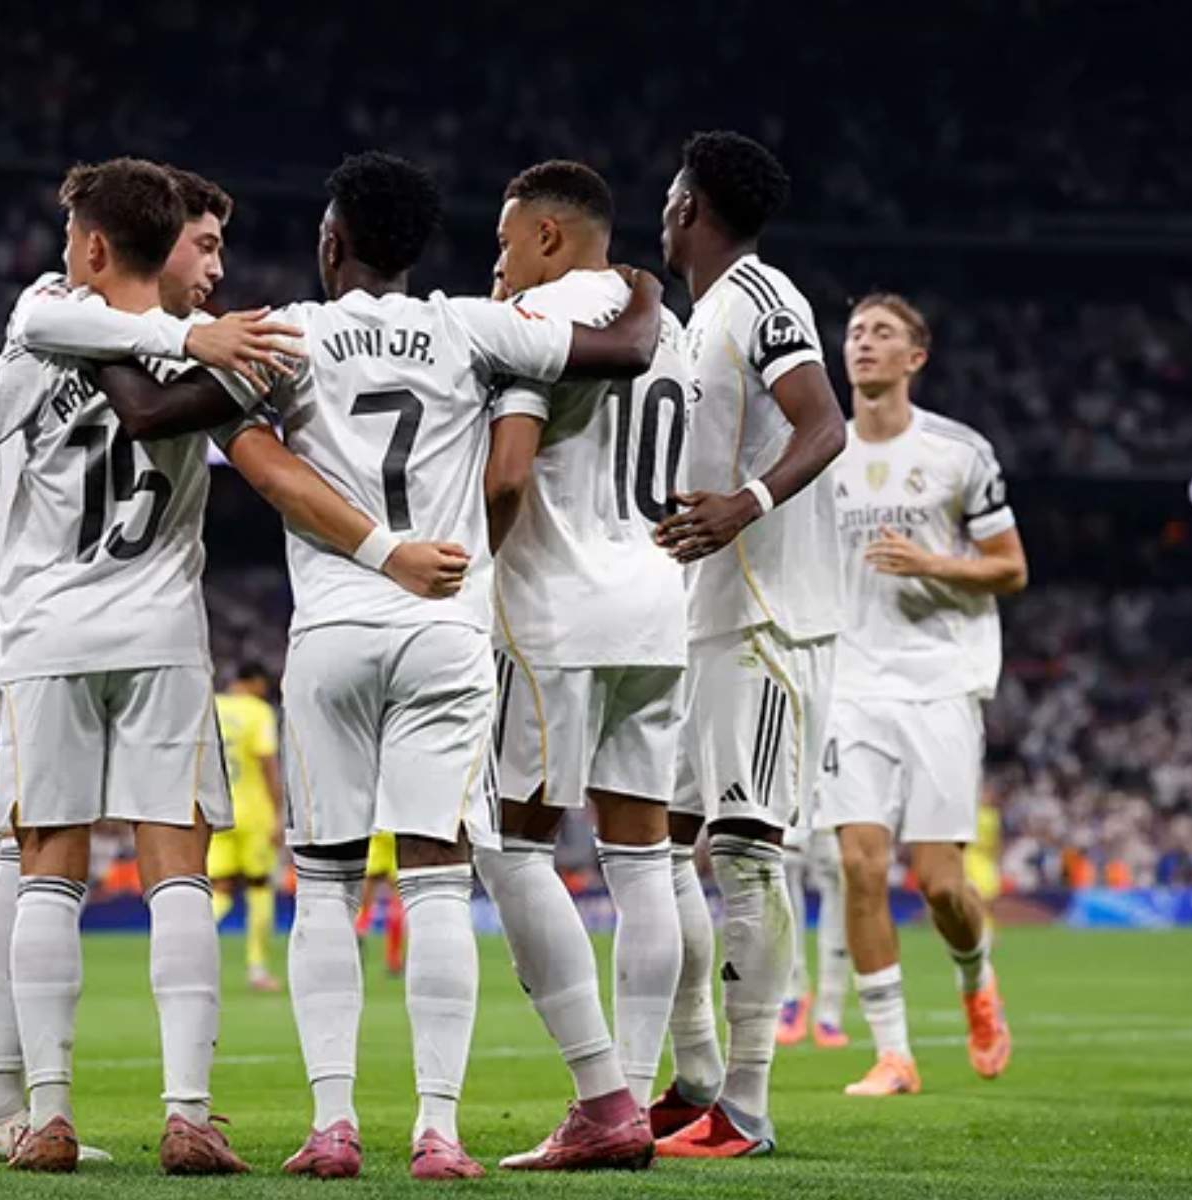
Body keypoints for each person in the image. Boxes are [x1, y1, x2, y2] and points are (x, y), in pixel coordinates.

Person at [0, 158, 459, 1176]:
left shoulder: (37, 337)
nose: (213, 268)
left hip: (44, 640)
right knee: (177, 881)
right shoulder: (226, 355)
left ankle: (44, 1115)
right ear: (158, 245)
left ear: (86, 247)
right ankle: (186, 1112)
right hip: (162, 638)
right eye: (201, 245)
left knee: (45, 874)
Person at [84, 150, 663, 1180]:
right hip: (444, 621)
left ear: (330, 240)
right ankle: (437, 1131)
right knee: (438, 881)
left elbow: (152, 410)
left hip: (338, 627)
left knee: (324, 885)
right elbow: (622, 348)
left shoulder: (285, 333)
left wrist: (101, 325)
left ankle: (333, 1125)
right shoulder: (468, 325)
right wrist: (650, 282)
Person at [476, 159, 684, 1170]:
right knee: (641, 858)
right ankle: (634, 1098)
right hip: (655, 602)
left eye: (506, 241)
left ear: (549, 237)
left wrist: (460, 556)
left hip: (552, 607)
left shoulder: (540, 320)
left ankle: (597, 1091)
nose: (497, 264)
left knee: (507, 845)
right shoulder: (664, 324)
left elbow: (509, 472)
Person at [649, 130, 848, 1159]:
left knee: (738, 851)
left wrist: (746, 503)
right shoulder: (695, 320)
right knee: (662, 851)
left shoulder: (763, 298)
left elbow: (824, 425)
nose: (662, 205)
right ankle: (688, 1081)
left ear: (690, 204)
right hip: (705, 616)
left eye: (670, 192)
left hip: (769, 619)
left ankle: (748, 1104)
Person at [816, 293, 1026, 1096]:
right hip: (850, 682)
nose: (864, 344)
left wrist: (933, 564)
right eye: (857, 333)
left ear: (916, 357)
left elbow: (1011, 567)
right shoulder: (820, 452)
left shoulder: (956, 452)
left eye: (883, 334)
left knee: (939, 883)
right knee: (859, 867)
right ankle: (894, 1054)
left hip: (941, 680)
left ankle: (976, 980)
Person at [209, 661, 286, 993]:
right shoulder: (258, 712)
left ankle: (188, 956)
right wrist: (279, 812)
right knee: (259, 888)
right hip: (254, 813)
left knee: (219, 889)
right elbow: (267, 762)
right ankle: (257, 969)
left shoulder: (210, 706)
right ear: (254, 683)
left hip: (216, 811)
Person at [776, 821, 853, 1049]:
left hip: (834, 790)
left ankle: (830, 1010)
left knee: (836, 873)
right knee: (784, 864)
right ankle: (792, 995)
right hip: (791, 789)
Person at [354, 832, 405, 978]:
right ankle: (394, 960)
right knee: (396, 902)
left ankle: (358, 936)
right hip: (394, 838)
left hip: (377, 836)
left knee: (364, 902)